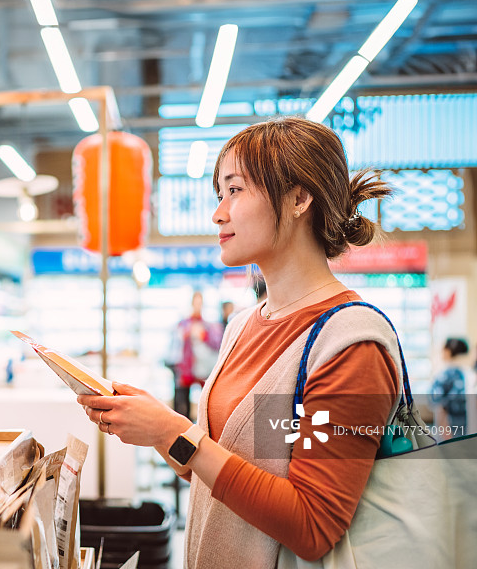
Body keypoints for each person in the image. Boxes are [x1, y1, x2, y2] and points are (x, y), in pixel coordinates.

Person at [78, 116, 401, 567]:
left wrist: (175, 432)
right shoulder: (243, 325)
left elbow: (313, 526)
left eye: (235, 190)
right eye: (219, 194)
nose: (218, 213)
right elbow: (219, 470)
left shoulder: (350, 344)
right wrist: (154, 428)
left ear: (299, 198)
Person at [170, 291, 224, 420]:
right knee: (182, 404)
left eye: (200, 303)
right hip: (185, 369)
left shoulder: (209, 326)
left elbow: (217, 345)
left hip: (203, 369)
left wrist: (203, 335)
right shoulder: (183, 324)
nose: (198, 306)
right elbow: (176, 346)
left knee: (205, 402)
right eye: (196, 303)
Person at [430, 337, 469, 436]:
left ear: (448, 351)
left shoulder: (447, 375)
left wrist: (448, 440)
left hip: (451, 434)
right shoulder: (466, 374)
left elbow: (440, 408)